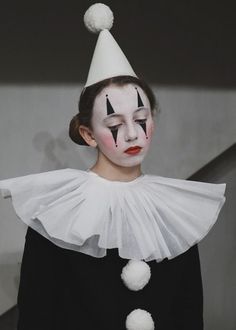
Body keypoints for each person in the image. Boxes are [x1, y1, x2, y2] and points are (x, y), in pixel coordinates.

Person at [0, 4, 226, 330]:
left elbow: (188, 315)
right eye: (114, 123)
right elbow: (37, 316)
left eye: (141, 119)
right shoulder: (57, 212)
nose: (133, 133)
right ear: (88, 134)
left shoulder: (174, 211)